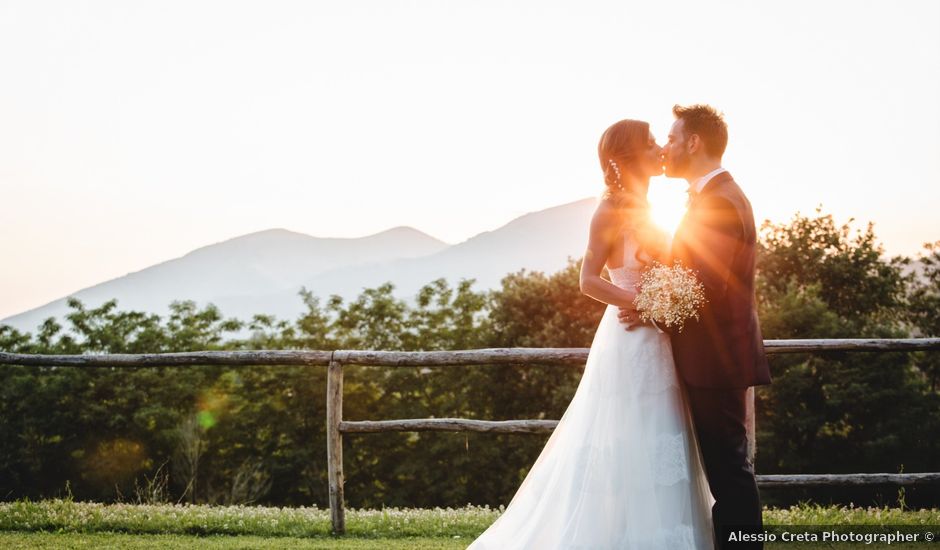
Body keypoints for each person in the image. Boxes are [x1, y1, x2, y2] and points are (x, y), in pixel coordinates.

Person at [468, 119, 714, 549]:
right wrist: (640, 303)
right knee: (629, 432)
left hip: (659, 336)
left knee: (665, 431)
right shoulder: (610, 209)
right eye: (652, 141)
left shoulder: (652, 208)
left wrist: (667, 304)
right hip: (629, 337)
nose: (660, 147)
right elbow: (587, 280)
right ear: (631, 155)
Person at [620, 104, 772, 550]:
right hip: (711, 357)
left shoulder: (721, 201)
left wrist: (648, 308)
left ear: (693, 142)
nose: (665, 146)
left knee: (729, 472)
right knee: (726, 469)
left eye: (671, 137)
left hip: (716, 359)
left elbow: (705, 287)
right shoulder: (715, 196)